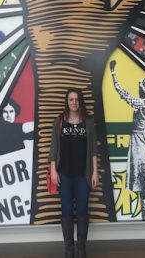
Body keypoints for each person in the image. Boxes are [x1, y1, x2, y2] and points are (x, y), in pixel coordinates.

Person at [110, 60, 145, 221]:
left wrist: (113, 74)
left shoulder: (139, 103)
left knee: (144, 183)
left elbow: (121, 92)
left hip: (140, 146)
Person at [49, 88, 98, 258]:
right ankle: (69, 248)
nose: (74, 102)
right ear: (67, 102)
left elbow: (93, 150)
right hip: (64, 174)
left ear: (80, 101)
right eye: (71, 99)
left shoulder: (89, 122)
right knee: (67, 210)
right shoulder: (60, 121)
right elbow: (53, 148)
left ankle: (81, 248)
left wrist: (95, 172)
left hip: (83, 174)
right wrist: (53, 171)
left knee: (83, 209)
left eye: (77, 99)